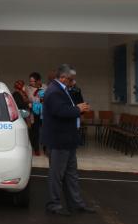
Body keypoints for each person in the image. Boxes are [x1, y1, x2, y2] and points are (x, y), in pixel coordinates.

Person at [42, 64, 95, 216]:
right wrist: (78, 109)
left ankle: (76, 204)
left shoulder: (64, 90)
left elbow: (68, 107)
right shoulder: (54, 91)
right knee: (57, 175)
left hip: (68, 139)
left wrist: (78, 107)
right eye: (71, 79)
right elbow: (60, 111)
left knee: (71, 174)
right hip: (59, 140)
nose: (73, 82)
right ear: (63, 78)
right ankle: (54, 205)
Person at [27, 72, 43, 157]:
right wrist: (38, 100)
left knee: (42, 131)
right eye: (30, 81)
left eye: (33, 81)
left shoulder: (43, 88)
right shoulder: (27, 88)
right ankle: (35, 148)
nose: (31, 82)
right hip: (32, 113)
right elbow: (29, 99)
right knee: (33, 131)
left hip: (42, 113)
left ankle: (43, 148)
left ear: (38, 81)